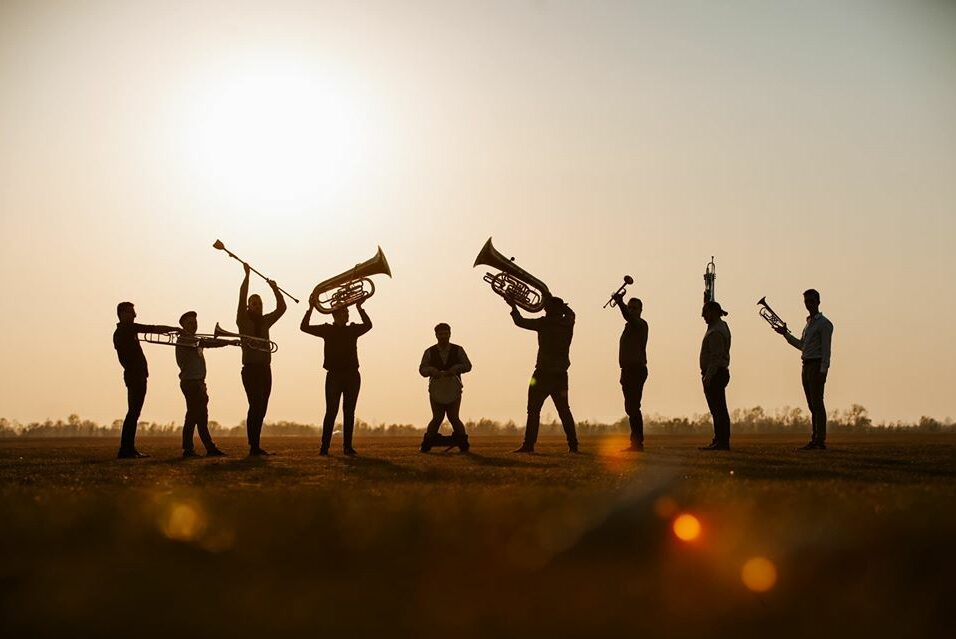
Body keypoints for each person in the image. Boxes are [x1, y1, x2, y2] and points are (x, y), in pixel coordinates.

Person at [300, 301, 372, 455]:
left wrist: (360, 308)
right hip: (334, 375)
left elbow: (368, 325)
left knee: (349, 412)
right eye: (345, 312)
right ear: (336, 314)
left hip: (352, 374)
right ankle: (324, 448)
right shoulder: (327, 329)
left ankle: (347, 447)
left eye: (347, 312)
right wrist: (311, 308)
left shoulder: (352, 329)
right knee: (331, 412)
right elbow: (304, 327)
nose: (347, 314)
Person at [510, 296, 579, 454]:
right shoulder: (568, 323)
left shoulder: (544, 323)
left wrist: (513, 305)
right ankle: (573, 445)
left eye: (546, 306)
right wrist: (564, 307)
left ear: (548, 309)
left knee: (533, 411)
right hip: (561, 375)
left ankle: (528, 445)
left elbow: (519, 321)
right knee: (564, 410)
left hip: (541, 374)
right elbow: (572, 313)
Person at [112, 302, 180, 459]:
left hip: (136, 374)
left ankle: (129, 449)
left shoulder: (125, 331)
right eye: (131, 312)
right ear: (122, 313)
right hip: (135, 375)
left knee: (134, 412)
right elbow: (153, 328)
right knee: (133, 412)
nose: (135, 316)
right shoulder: (126, 329)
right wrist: (174, 329)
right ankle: (126, 450)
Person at [236, 263, 287, 456]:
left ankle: (256, 445)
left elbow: (282, 308)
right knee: (255, 405)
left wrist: (275, 289)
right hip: (250, 369)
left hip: (266, 369)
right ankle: (253, 446)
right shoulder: (243, 319)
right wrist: (247, 276)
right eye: (254, 303)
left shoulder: (265, 320)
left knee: (262, 407)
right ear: (249, 305)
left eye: (259, 303)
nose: (257, 306)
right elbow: (241, 297)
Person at [775, 289, 834, 450]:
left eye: (811, 301)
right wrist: (785, 334)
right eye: (806, 301)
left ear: (818, 302)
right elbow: (802, 346)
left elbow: (826, 350)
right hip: (806, 364)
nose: (808, 304)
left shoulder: (824, 324)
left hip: (816, 365)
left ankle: (819, 439)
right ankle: (815, 438)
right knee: (811, 404)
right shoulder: (808, 324)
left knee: (817, 403)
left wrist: (824, 370)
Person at [175, 311, 237, 458]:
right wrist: (227, 342)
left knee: (201, 417)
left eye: (195, 322)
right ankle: (189, 449)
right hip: (191, 383)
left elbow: (205, 343)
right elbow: (207, 343)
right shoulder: (185, 340)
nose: (194, 325)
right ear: (183, 326)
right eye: (190, 323)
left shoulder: (194, 340)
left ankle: (209, 448)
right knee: (193, 416)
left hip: (198, 383)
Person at [418, 323, 473, 453]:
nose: (443, 336)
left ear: (450, 334)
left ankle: (463, 444)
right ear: (436, 335)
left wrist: (457, 368)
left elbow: (468, 366)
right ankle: (427, 444)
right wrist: (431, 370)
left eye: (446, 333)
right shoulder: (429, 351)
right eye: (440, 334)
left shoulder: (458, 349)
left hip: (453, 389)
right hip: (436, 390)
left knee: (454, 417)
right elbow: (422, 369)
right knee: (437, 417)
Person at [612, 293, 649, 451]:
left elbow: (628, 317)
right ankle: (636, 442)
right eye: (630, 307)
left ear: (641, 310)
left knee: (633, 407)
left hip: (636, 369)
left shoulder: (640, 324)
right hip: (628, 370)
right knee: (630, 407)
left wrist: (620, 303)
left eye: (635, 308)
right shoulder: (630, 326)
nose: (632, 310)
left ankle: (637, 443)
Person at [699, 300, 732, 451]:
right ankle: (718, 439)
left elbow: (715, 357)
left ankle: (722, 441)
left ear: (712, 313)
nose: (703, 317)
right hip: (718, 372)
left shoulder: (716, 331)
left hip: (715, 373)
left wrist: (708, 376)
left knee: (718, 410)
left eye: (705, 313)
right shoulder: (720, 326)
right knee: (718, 410)